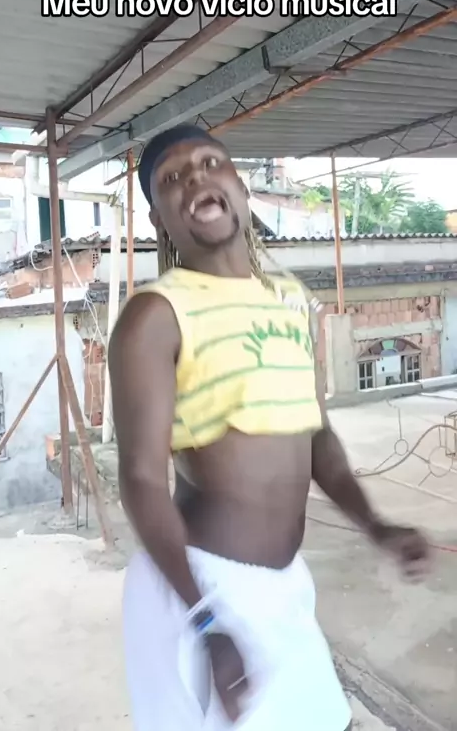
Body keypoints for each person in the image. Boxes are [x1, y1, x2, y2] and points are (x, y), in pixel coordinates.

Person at [108, 124, 430, 731]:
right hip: (199, 588)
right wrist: (205, 620)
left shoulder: (289, 299)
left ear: (240, 186)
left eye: (211, 163)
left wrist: (377, 526)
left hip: (282, 587)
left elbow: (317, 437)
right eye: (172, 178)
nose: (196, 177)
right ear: (159, 221)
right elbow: (141, 480)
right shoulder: (155, 315)